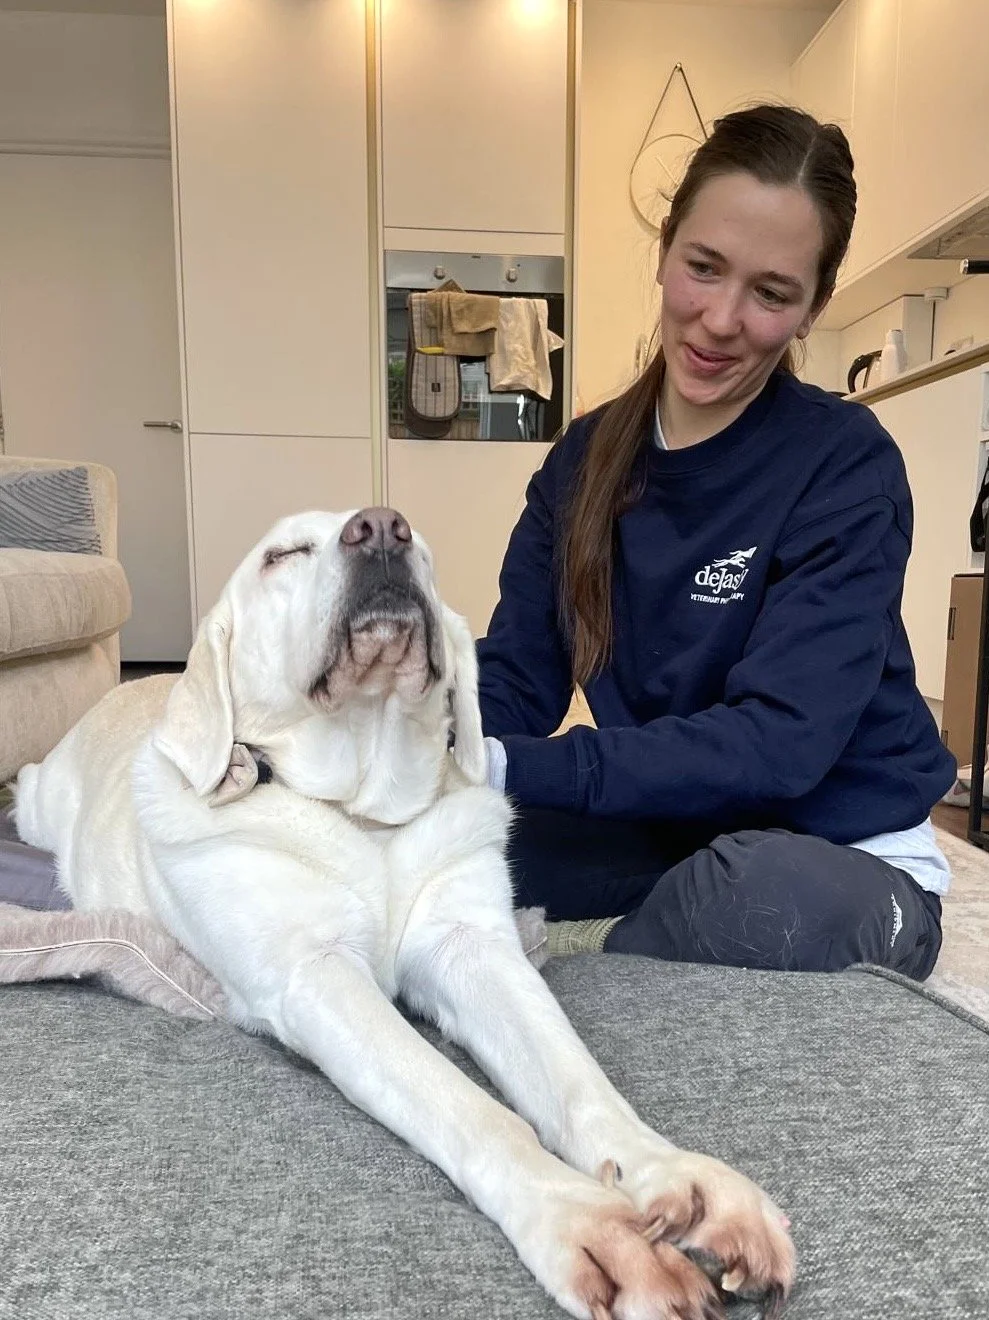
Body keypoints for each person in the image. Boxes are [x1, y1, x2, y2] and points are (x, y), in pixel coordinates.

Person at [477, 103, 956, 979]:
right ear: (665, 251)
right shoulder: (583, 460)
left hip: (839, 854)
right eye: (703, 267)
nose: (721, 318)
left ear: (810, 309)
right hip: (672, 832)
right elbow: (515, 677)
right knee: (452, 843)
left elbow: (775, 748)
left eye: (770, 293)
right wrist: (411, 738)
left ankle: (559, 979)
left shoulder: (845, 467)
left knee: (743, 895)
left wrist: (505, 764)